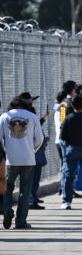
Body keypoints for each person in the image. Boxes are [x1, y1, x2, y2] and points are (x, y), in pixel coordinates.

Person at [0, 96, 44, 229]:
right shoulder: (32, 116)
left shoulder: (4, 116)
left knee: (7, 188)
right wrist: (33, 149)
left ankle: (7, 209)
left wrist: (4, 151)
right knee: (25, 191)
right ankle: (21, 222)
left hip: (10, 160)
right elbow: (40, 138)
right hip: (28, 159)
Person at [18, 92, 49, 210]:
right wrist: (39, 145)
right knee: (34, 178)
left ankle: (32, 198)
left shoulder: (18, 114)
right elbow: (36, 132)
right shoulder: (30, 113)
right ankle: (31, 200)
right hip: (34, 151)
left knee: (29, 179)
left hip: (23, 152)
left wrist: (43, 118)